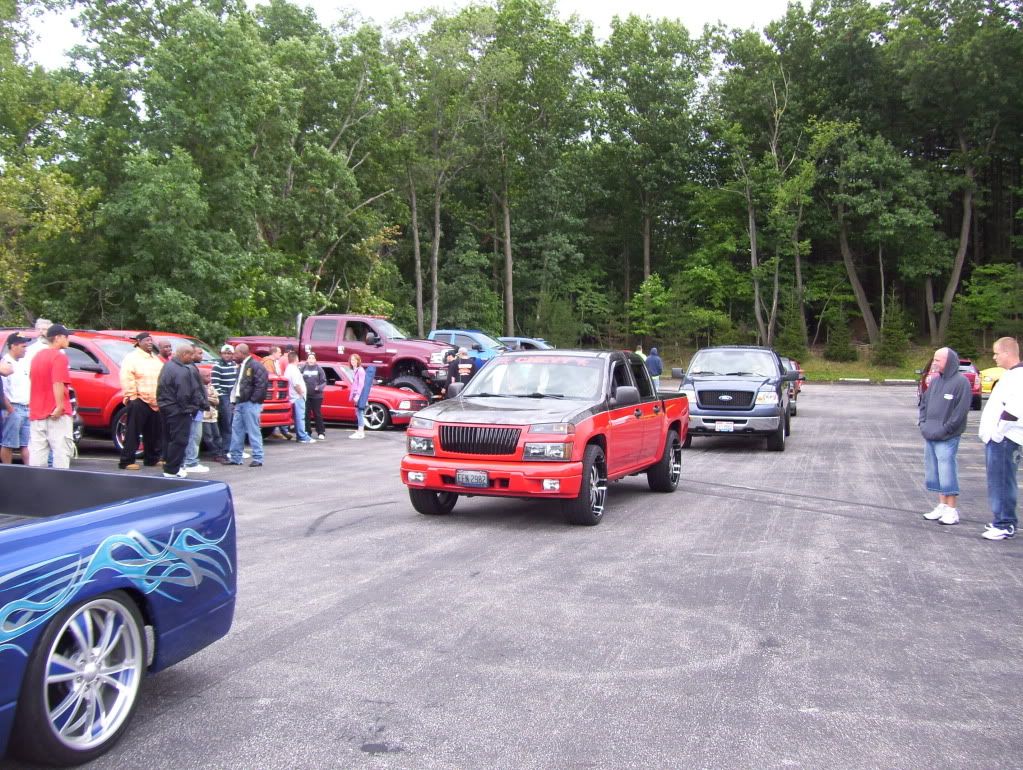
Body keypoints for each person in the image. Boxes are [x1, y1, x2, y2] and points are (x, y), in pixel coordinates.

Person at [918, 347, 971, 526]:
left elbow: (960, 412)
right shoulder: (934, 382)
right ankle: (941, 505)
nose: (934, 363)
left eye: (938, 360)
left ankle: (951, 510)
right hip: (930, 434)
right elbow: (923, 404)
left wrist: (945, 430)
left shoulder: (961, 382)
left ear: (948, 362)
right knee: (935, 471)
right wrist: (923, 424)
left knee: (947, 470)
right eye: (934, 359)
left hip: (947, 437)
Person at [978, 336, 1023, 541]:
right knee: (997, 480)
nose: (994, 357)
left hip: (1005, 439)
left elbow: (1014, 409)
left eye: (996, 353)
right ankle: (1001, 518)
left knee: (1003, 480)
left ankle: (1005, 523)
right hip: (999, 438)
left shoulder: (1019, 376)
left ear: (1007, 353)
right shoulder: (1010, 375)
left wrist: (998, 432)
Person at [156, 344, 208, 479]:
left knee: (168, 438)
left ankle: (169, 466)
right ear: (184, 354)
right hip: (178, 410)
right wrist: (190, 409)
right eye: (191, 355)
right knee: (180, 439)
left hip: (165, 406)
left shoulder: (167, 366)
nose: (192, 358)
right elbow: (184, 394)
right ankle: (172, 469)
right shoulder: (181, 371)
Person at [27, 324, 74, 469]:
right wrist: (59, 406)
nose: (68, 340)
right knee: (61, 453)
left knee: (37, 455)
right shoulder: (59, 357)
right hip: (55, 413)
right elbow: (58, 381)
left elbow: (32, 379)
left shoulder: (37, 356)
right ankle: (60, 489)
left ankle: (37, 488)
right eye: (66, 337)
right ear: (57, 337)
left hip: (37, 411)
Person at [117, 331, 164, 470]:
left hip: (155, 400)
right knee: (133, 431)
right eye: (146, 340)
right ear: (138, 342)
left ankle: (152, 458)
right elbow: (126, 377)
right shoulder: (132, 358)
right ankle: (126, 460)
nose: (150, 343)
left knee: (154, 432)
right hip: (139, 399)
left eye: (151, 340)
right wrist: (132, 396)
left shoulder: (155, 359)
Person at [228, 343, 269, 466]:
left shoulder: (255, 366)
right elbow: (239, 385)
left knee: (253, 430)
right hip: (240, 402)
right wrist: (234, 401)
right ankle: (235, 457)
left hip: (250, 403)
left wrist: (253, 400)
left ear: (242, 353)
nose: (234, 356)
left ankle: (258, 458)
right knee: (237, 430)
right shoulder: (241, 366)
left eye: (235, 353)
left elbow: (261, 385)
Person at [1, 334, 32, 465]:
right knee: (8, 443)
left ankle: (30, 472)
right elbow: (3, 391)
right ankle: (7, 472)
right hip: (13, 407)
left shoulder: (23, 363)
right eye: (23, 346)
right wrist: (10, 409)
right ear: (13, 346)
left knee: (26, 444)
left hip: (26, 407)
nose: (26, 349)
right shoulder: (5, 363)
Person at [183, 345, 212, 474]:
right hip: (194, 408)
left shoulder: (192, 368)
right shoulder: (190, 368)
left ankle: (190, 460)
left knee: (195, 435)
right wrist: (201, 403)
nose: (202, 356)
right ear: (191, 354)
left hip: (196, 407)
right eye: (199, 353)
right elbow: (194, 390)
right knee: (194, 435)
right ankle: (191, 461)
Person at [212, 344, 239, 462]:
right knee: (226, 424)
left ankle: (232, 449)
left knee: (233, 424)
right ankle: (225, 450)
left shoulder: (235, 366)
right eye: (225, 353)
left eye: (229, 354)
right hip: (223, 397)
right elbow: (215, 385)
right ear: (221, 354)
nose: (227, 355)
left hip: (233, 397)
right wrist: (223, 398)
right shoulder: (217, 366)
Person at [284, 351, 314, 443]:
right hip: (297, 397)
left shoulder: (288, 369)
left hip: (292, 397)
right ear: (296, 359)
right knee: (300, 417)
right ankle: (302, 436)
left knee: (297, 417)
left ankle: (300, 435)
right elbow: (296, 384)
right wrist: (301, 393)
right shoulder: (294, 370)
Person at [301, 353, 327, 440]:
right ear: (307, 360)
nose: (311, 360)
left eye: (313, 358)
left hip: (317, 396)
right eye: (309, 358)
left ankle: (321, 432)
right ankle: (307, 431)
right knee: (306, 414)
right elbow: (299, 379)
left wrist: (319, 387)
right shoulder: (303, 368)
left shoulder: (319, 369)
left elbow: (324, 382)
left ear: (315, 360)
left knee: (317, 414)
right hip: (306, 395)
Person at [349, 353, 368, 439]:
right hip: (356, 394)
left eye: (354, 360)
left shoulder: (360, 370)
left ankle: (361, 432)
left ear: (358, 361)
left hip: (359, 395)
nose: (353, 361)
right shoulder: (355, 370)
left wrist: (357, 396)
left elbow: (361, 384)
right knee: (358, 412)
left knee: (360, 412)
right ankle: (360, 430)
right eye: (352, 360)